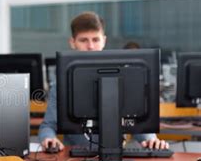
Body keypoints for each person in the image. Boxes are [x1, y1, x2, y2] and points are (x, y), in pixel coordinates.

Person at [39, 12, 168, 152]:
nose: (90, 46)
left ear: (104, 41)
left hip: (116, 156)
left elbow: (137, 121)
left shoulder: (124, 77)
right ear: (73, 42)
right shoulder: (62, 83)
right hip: (75, 160)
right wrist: (49, 138)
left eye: (95, 39)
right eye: (83, 40)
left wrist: (151, 140)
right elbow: (48, 126)